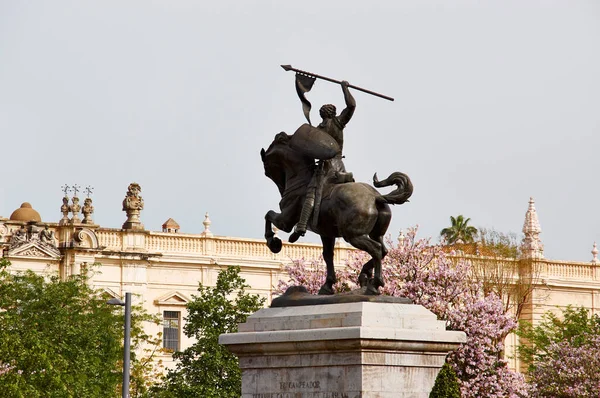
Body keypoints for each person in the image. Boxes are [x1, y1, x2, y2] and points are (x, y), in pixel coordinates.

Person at [289, 81, 356, 243]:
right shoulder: (338, 123)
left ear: (322, 114)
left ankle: (302, 225)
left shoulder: (319, 130)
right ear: (333, 113)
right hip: (339, 166)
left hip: (326, 168)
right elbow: (352, 105)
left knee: (311, 193)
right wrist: (345, 88)